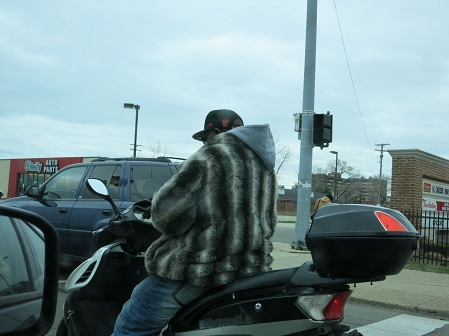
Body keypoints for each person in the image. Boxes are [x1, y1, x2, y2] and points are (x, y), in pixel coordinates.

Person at [112, 109, 278, 336]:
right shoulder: (265, 167)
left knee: (131, 324)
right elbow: (270, 222)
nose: (204, 143)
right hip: (250, 270)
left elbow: (165, 217)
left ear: (217, 132)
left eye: (205, 137)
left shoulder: (210, 158)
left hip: (199, 271)